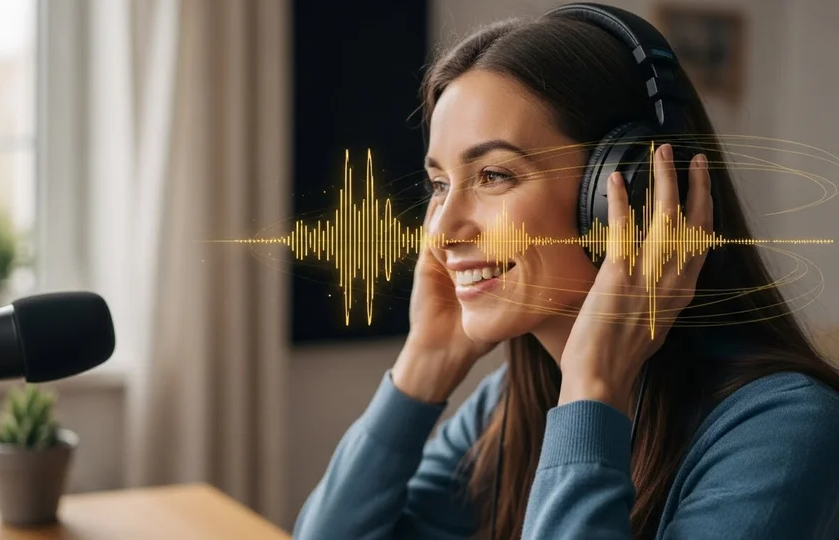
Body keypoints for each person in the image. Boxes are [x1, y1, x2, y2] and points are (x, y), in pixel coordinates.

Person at [293, 4, 839, 540]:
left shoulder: (784, 427)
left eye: (493, 175)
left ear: (631, 191)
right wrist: (423, 366)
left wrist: (594, 391)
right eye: (439, 185)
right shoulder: (515, 399)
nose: (441, 232)